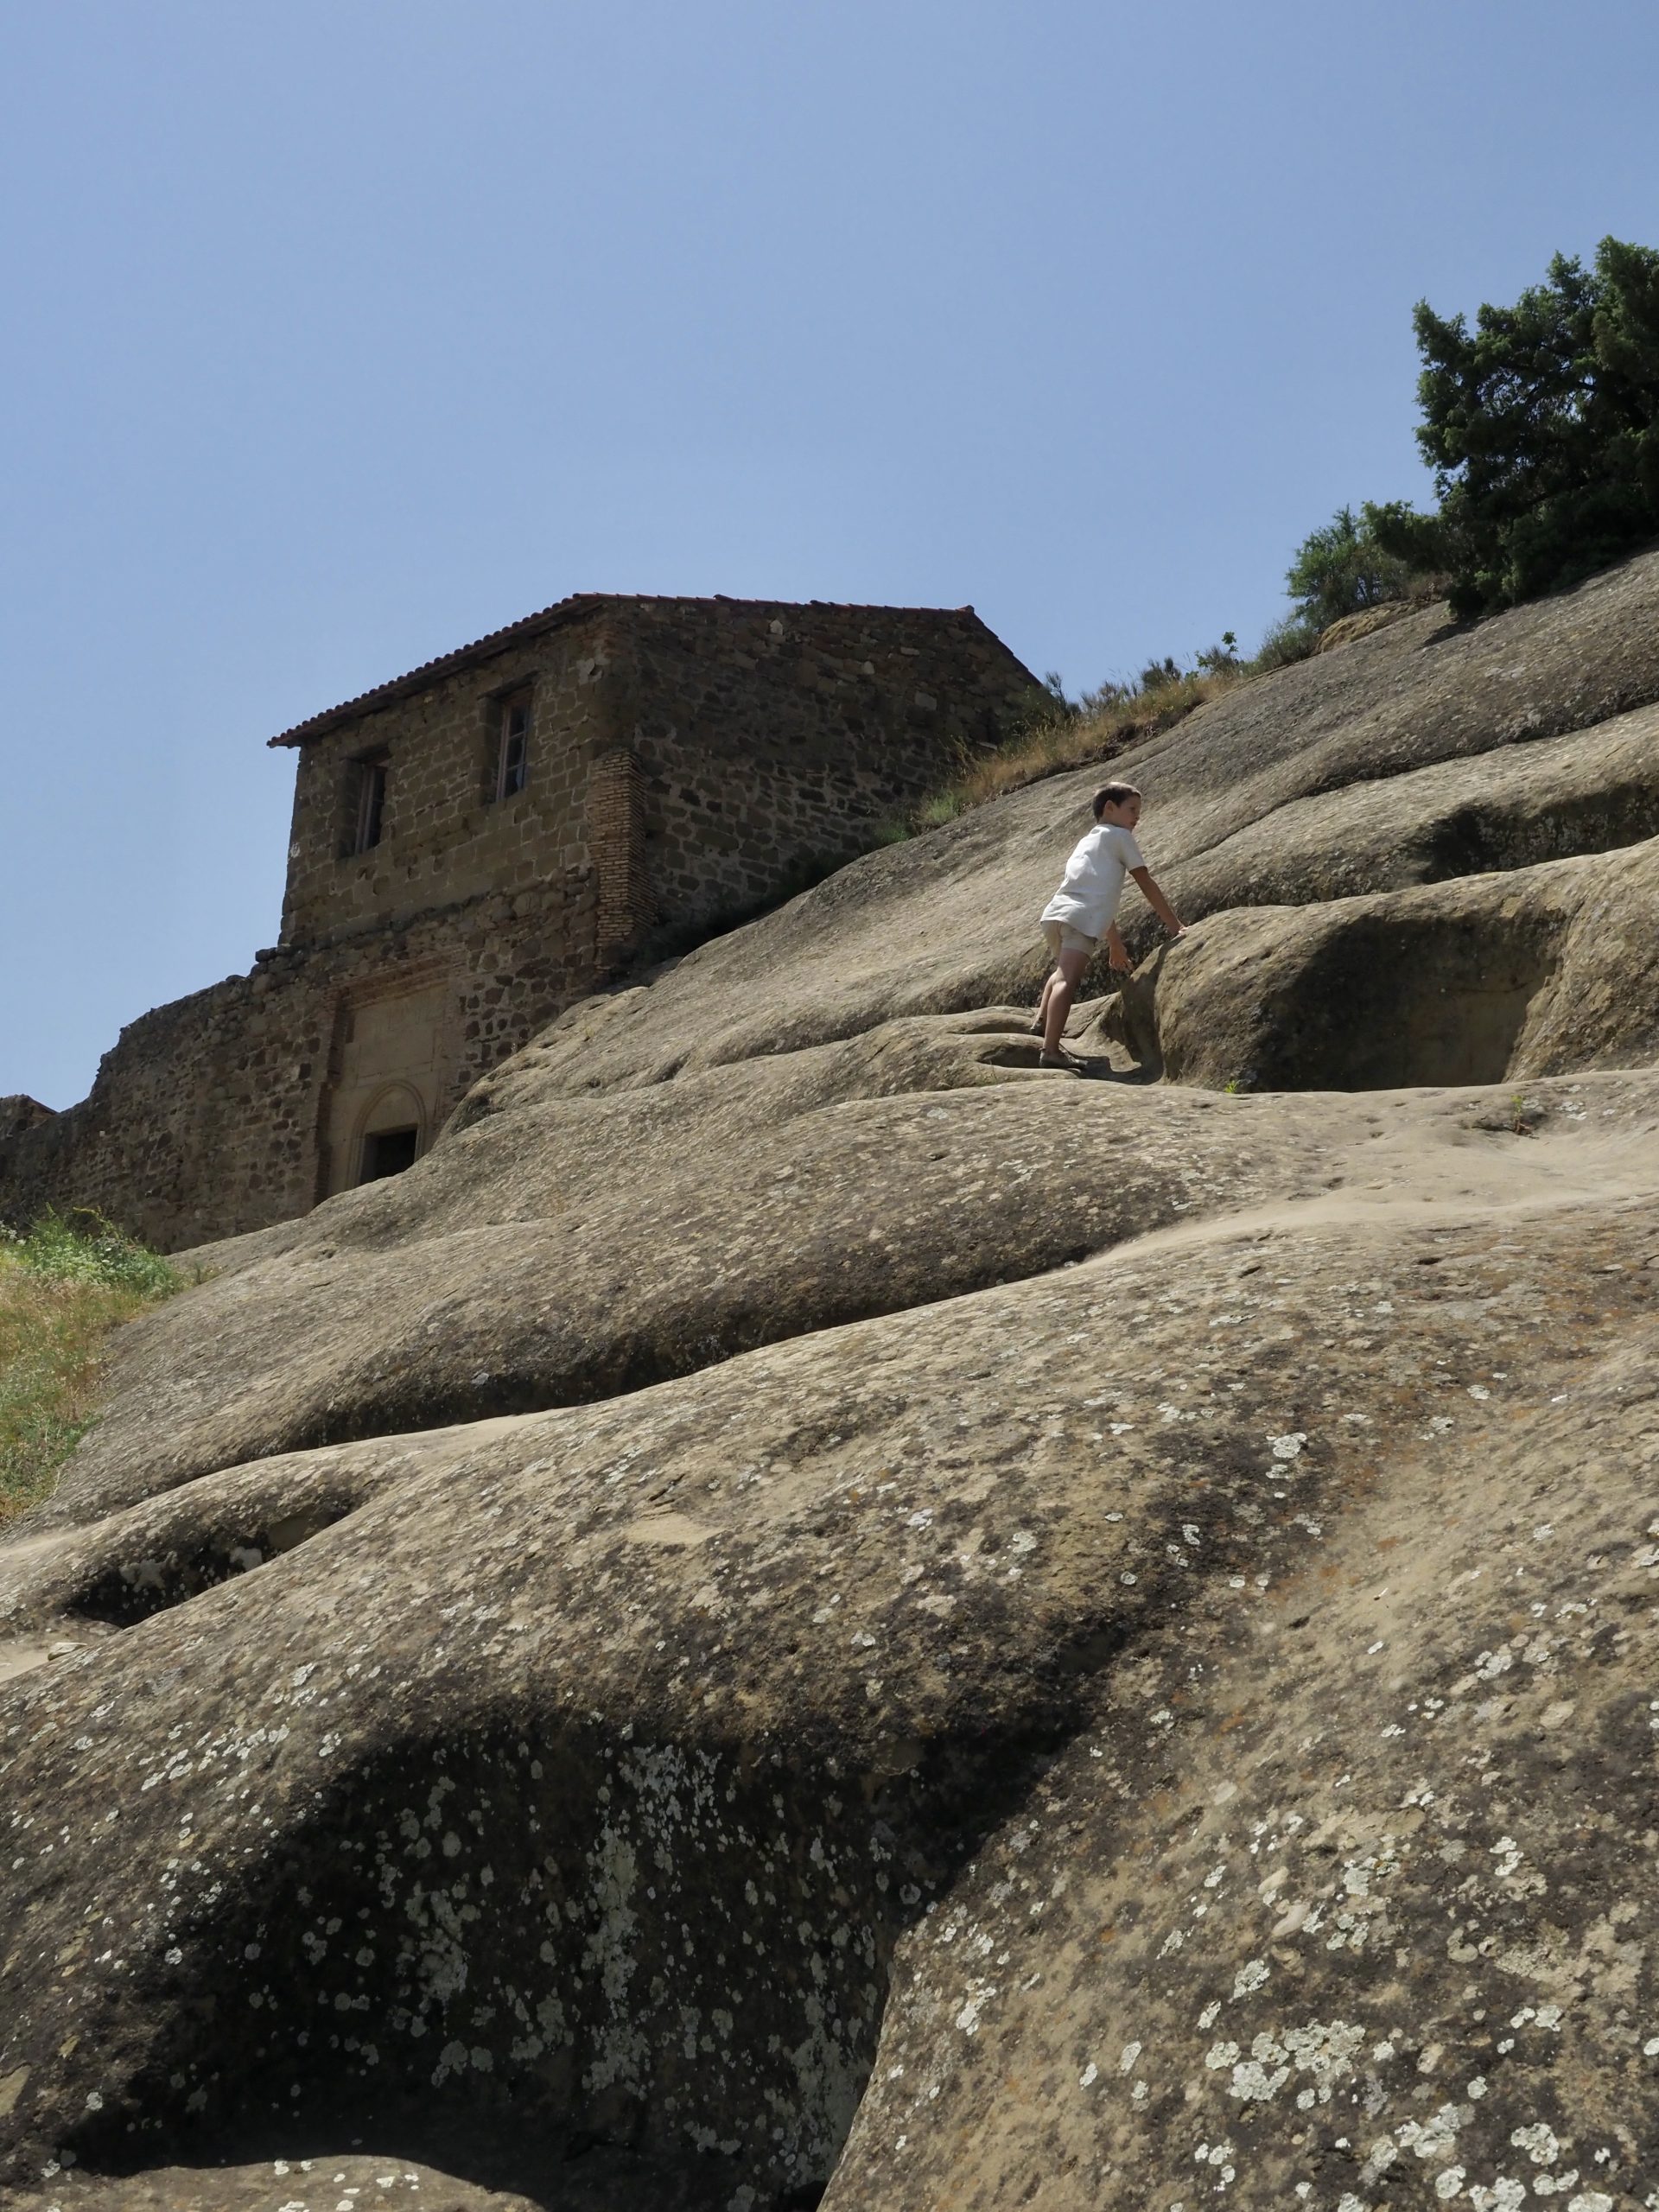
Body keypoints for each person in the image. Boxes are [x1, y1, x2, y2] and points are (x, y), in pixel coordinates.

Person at [1034, 781, 1185, 1069]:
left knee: (1060, 973)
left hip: (1056, 914)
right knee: (1068, 979)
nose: (1137, 817)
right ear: (1110, 808)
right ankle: (1051, 1050)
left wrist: (1114, 943)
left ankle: (1042, 1022)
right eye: (1132, 809)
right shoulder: (1120, 836)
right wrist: (1174, 924)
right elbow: (1145, 881)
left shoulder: (1088, 841)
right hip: (1080, 917)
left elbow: (1100, 897)